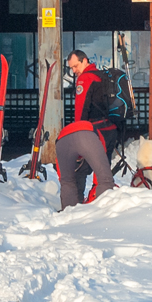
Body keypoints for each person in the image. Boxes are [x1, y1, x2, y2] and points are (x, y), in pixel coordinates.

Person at [55, 49, 114, 209]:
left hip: (93, 132)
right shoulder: (101, 76)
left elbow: (80, 110)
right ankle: (103, 204)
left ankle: (76, 206)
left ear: (84, 60)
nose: (74, 71)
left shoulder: (85, 79)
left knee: (79, 169)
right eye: (71, 68)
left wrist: (77, 132)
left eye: (75, 66)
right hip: (110, 129)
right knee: (102, 169)